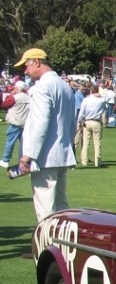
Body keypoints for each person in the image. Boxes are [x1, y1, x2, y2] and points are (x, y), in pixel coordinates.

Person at [14, 48, 76, 223]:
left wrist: (29, 155)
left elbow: (40, 123)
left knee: (45, 209)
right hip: (62, 154)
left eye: (26, 66)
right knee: (61, 206)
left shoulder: (42, 87)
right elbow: (73, 122)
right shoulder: (65, 86)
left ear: (36, 62)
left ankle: (46, 248)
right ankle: (63, 246)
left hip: (45, 157)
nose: (25, 71)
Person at [0, 80, 30, 168]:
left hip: (15, 123)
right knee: (25, 144)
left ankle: (5, 160)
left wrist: (11, 94)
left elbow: (4, 105)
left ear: (17, 88)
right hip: (25, 123)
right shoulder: (29, 98)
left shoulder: (14, 97)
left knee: (10, 142)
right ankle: (26, 160)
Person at [77, 84, 106, 167]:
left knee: (86, 142)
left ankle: (84, 161)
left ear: (90, 91)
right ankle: (98, 161)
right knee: (97, 143)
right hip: (96, 122)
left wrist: (80, 122)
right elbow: (106, 98)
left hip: (87, 121)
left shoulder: (86, 100)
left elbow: (81, 113)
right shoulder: (101, 100)